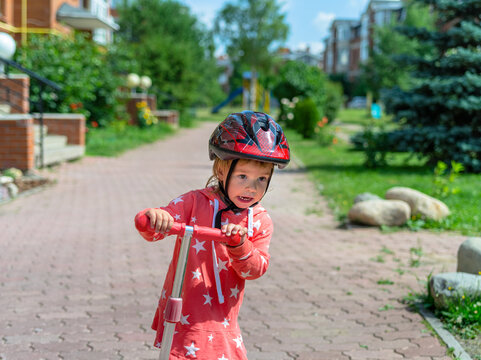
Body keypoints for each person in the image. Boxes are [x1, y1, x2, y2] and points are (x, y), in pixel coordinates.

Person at [135, 110, 290, 359]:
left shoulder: (259, 220)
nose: (252, 187)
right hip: (184, 311)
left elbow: (255, 269)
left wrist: (240, 244)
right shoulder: (195, 202)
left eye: (262, 179)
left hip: (221, 319)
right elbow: (154, 229)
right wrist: (153, 218)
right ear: (221, 171)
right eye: (243, 176)